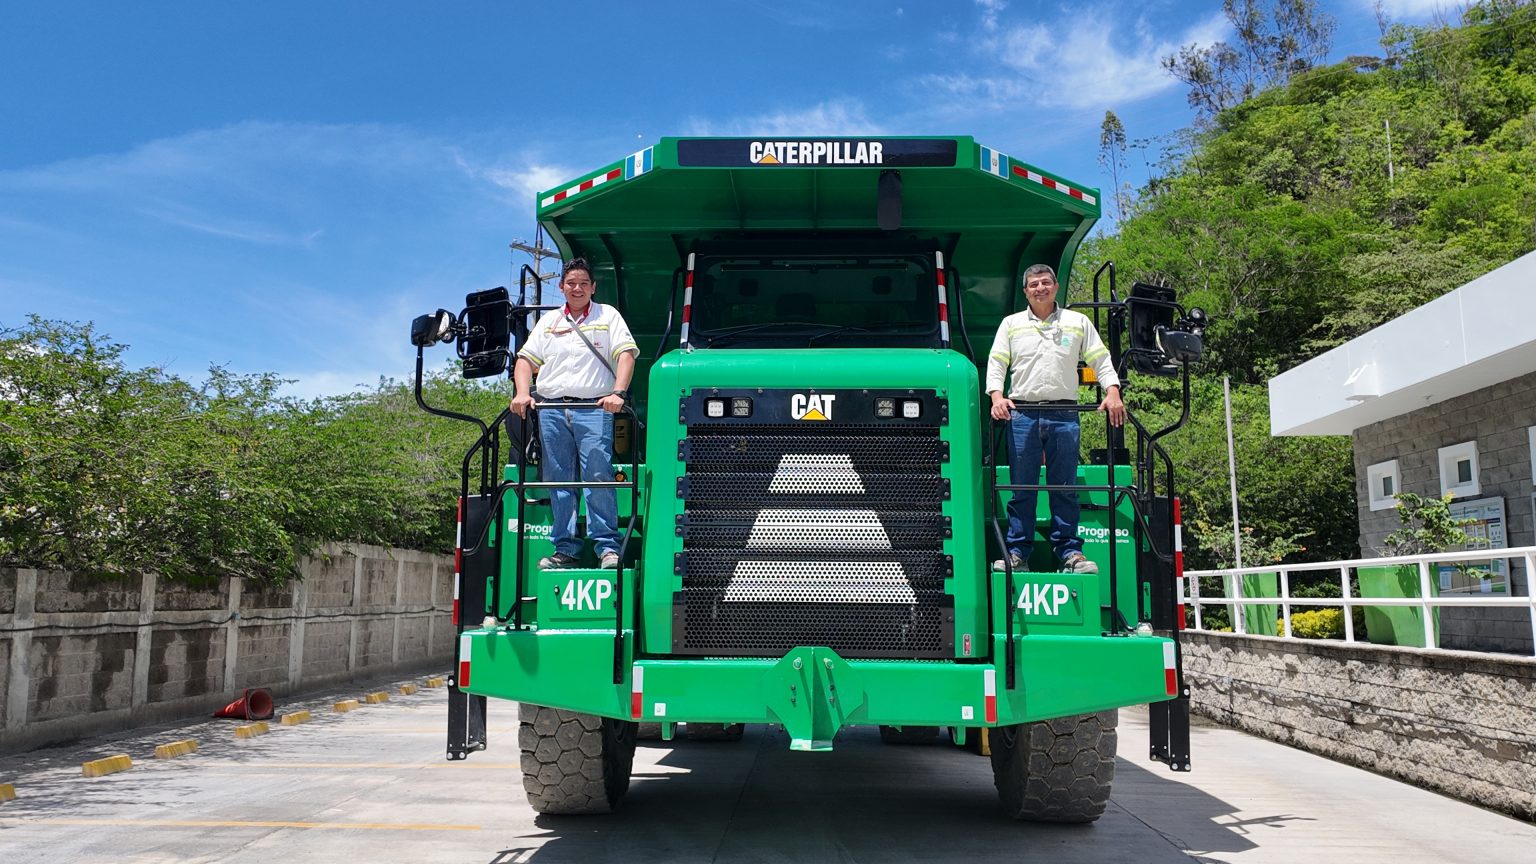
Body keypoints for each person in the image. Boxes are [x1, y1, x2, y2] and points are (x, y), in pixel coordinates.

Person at [985, 263, 1125, 575]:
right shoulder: (1011, 324)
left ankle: (1071, 553)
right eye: (1033, 284)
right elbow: (997, 362)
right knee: (1023, 487)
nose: (1040, 288)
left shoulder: (1077, 322)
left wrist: (1113, 391)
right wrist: (997, 396)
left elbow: (1100, 358)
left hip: (1065, 414)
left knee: (1065, 486)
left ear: (1056, 287)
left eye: (1046, 283)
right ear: (1025, 291)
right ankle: (1017, 553)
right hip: (1023, 413)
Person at [510, 258, 639, 569]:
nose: (577, 288)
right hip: (551, 409)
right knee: (558, 479)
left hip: (593, 407)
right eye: (571, 283)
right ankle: (565, 549)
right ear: (561, 287)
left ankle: (607, 547)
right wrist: (523, 393)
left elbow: (626, 354)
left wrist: (618, 394)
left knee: (598, 475)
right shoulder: (549, 322)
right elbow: (525, 361)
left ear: (593, 287)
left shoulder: (608, 316)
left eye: (583, 283)